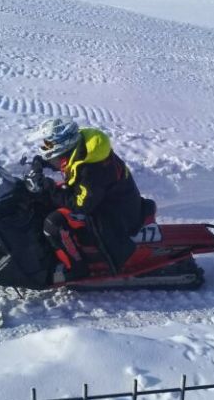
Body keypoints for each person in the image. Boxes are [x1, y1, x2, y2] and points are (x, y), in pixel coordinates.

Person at [25, 118, 143, 280]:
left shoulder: (92, 170)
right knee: (50, 200)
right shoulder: (82, 147)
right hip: (107, 201)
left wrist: (48, 187)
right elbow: (69, 162)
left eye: (48, 144)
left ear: (63, 144)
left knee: (54, 223)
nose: (45, 147)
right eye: (45, 144)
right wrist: (42, 162)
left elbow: (81, 205)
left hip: (116, 215)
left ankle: (77, 268)